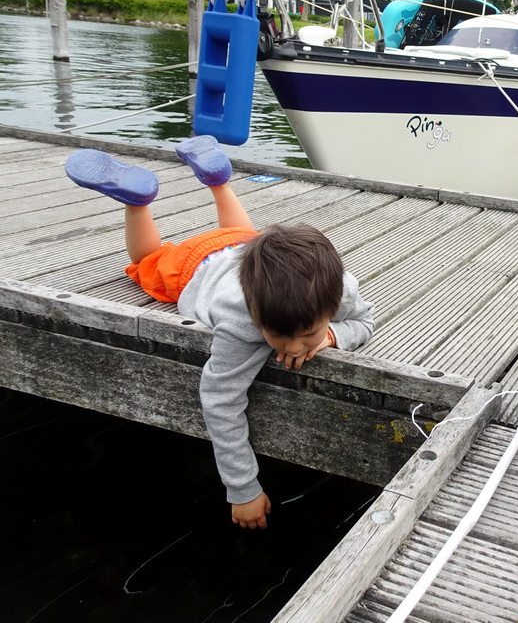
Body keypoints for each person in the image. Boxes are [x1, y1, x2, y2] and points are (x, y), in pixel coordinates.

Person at [65, 136, 374, 530]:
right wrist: (242, 489)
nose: (294, 347)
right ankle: (137, 202)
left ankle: (218, 179)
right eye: (276, 335)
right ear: (256, 316)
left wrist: (332, 336)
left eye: (308, 333)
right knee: (147, 261)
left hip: (242, 247)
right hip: (191, 269)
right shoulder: (240, 324)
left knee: (245, 237)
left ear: (332, 305)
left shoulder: (340, 288)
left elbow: (363, 322)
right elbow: (220, 401)